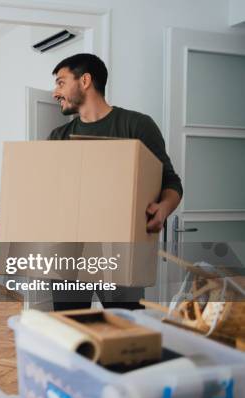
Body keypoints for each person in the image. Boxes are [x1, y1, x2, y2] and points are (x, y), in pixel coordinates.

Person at [49, 53, 183, 311]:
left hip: (120, 253)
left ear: (85, 80)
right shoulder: (59, 137)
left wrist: (163, 209)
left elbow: (171, 181)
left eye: (61, 82)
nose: (56, 92)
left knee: (125, 328)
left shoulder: (136, 126)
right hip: (69, 255)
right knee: (72, 332)